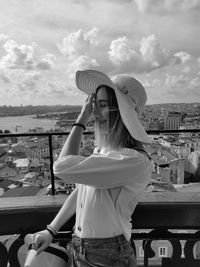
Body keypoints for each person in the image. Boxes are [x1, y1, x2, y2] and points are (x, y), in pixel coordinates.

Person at [32, 69, 153, 266]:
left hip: (107, 255)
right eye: (95, 105)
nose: (95, 113)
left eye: (103, 105)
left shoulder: (133, 161)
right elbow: (82, 190)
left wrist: (80, 121)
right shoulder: (105, 152)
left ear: (123, 113)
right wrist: (51, 230)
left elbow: (61, 167)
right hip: (83, 248)